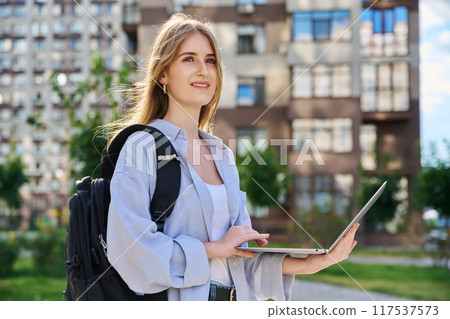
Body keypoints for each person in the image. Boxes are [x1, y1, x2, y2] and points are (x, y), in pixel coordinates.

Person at [105, 13, 359, 301]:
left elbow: (239, 257)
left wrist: (312, 263)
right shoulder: (142, 146)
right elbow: (131, 251)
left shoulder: (221, 155)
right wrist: (214, 248)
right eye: (189, 59)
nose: (203, 70)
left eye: (210, 60)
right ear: (163, 73)